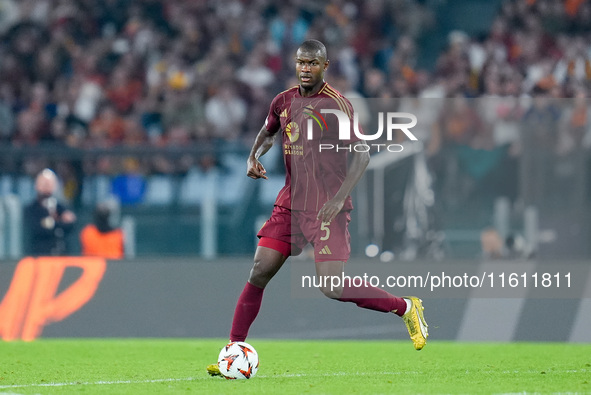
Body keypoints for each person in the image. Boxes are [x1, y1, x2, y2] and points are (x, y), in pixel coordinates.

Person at [207, 40, 428, 376]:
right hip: (292, 202)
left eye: (312, 63)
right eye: (301, 63)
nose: (305, 69)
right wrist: (254, 156)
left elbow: (363, 154)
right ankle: (234, 348)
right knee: (259, 269)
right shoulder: (283, 101)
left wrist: (339, 198)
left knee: (331, 287)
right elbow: (269, 132)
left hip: (327, 207)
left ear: (326, 65)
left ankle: (406, 307)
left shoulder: (338, 106)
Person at [24, 168, 77, 256]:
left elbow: (70, 224)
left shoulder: (60, 207)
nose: (47, 186)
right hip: (39, 254)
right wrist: (58, 222)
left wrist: (52, 223)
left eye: (49, 183)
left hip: (61, 254)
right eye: (44, 183)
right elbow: (37, 228)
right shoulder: (31, 209)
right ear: (37, 185)